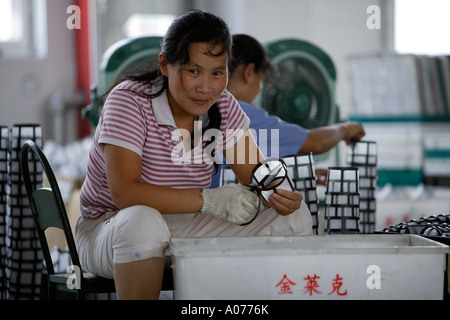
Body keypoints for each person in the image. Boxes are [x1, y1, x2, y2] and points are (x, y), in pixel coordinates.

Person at [75, 11, 312, 300]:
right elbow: (125, 194)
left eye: (217, 72)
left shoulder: (223, 104)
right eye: (193, 71)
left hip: (185, 223)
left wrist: (279, 194)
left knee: (294, 218)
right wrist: (210, 199)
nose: (206, 87)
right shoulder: (130, 100)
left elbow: (256, 173)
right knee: (142, 221)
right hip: (109, 229)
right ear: (165, 64)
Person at [210, 34, 366, 188]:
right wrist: (345, 129)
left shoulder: (207, 108)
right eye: (262, 80)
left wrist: (301, 175)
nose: (260, 88)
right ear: (249, 72)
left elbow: (244, 172)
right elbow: (316, 143)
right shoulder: (243, 115)